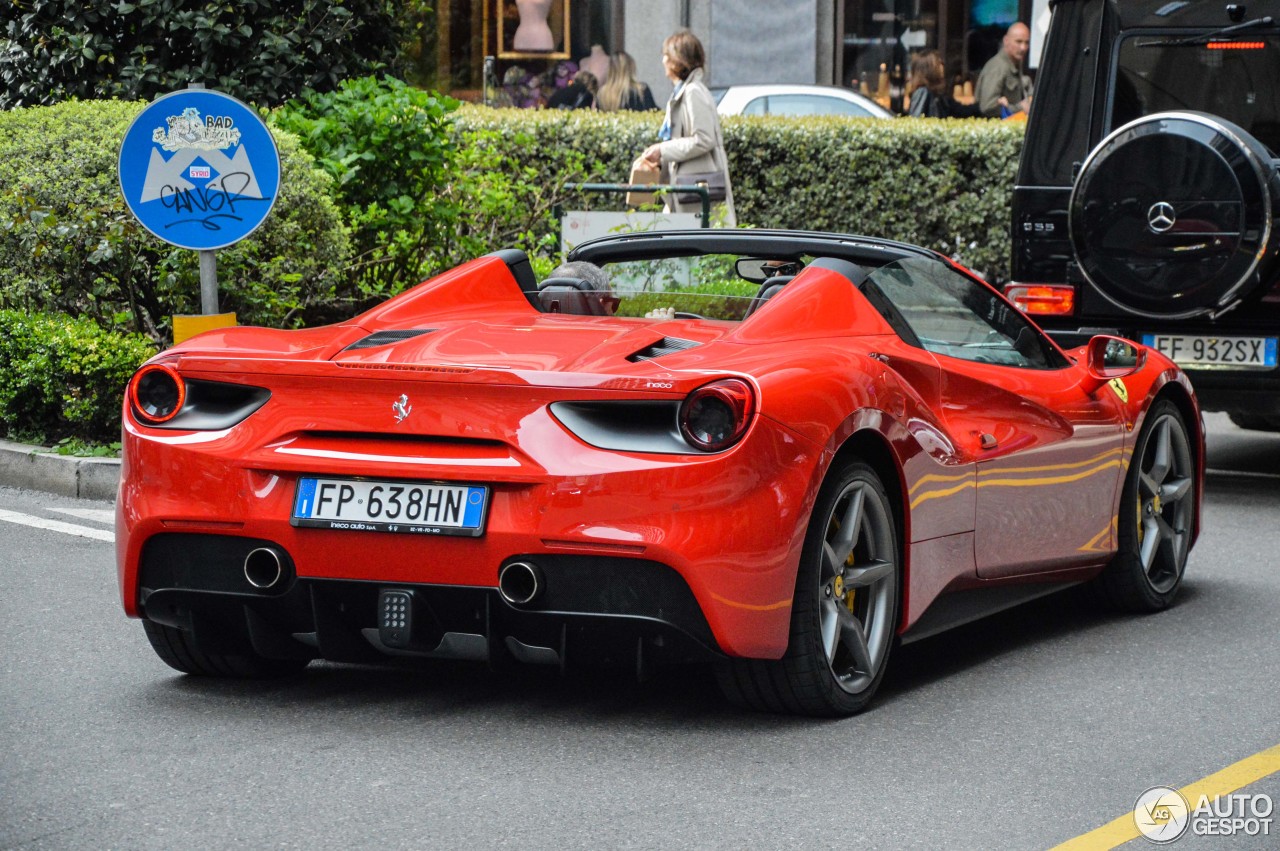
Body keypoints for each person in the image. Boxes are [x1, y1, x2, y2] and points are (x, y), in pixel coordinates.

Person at [640, 30, 736, 227]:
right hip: (689, 191)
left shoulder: (692, 92)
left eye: (666, 54)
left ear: (678, 59)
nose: (663, 60)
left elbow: (704, 139)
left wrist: (662, 150)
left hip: (696, 192)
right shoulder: (685, 90)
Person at [975, 22, 1032, 118]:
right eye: (1018, 42)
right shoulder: (998, 67)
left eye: (1026, 43)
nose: (1023, 47)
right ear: (1006, 40)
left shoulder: (1014, 64)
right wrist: (1019, 108)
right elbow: (987, 106)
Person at [907, 50, 982, 118]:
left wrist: (984, 106)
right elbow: (916, 120)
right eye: (939, 63)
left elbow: (960, 110)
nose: (942, 66)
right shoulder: (922, 92)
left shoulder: (940, 96)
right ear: (929, 69)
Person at [539, 260, 618, 315]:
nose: (613, 311)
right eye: (614, 305)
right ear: (599, 305)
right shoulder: (615, 337)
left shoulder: (531, 333)